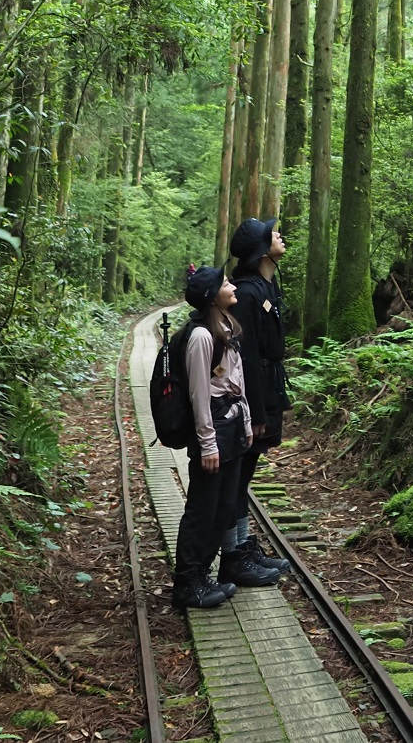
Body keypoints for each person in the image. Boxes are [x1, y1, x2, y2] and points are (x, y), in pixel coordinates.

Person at [171, 265, 275, 610]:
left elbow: (238, 382)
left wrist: (245, 426)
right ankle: (187, 581)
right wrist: (207, 443)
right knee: (202, 508)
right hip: (214, 431)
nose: (232, 286)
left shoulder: (228, 327)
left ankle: (202, 575)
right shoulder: (201, 336)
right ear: (212, 295)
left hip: (231, 428)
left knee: (224, 507)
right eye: (225, 283)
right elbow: (199, 393)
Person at [223, 217, 292, 579]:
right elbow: (244, 356)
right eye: (272, 234)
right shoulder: (248, 293)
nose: (279, 235)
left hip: (268, 384)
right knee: (237, 475)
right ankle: (233, 557)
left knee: (245, 475)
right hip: (253, 393)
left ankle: (243, 546)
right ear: (262, 250)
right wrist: (255, 411)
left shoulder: (267, 286)